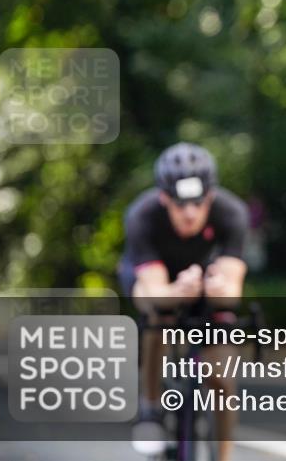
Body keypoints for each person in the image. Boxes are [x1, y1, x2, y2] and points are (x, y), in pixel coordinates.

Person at [118, 143, 248, 461]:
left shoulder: (232, 214)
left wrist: (219, 289)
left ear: (210, 196)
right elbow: (155, 290)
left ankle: (224, 457)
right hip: (157, 283)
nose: (189, 212)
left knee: (222, 378)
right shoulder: (142, 216)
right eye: (179, 203)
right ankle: (150, 407)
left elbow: (233, 293)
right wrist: (176, 291)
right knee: (156, 314)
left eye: (198, 202)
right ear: (165, 198)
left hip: (205, 285)